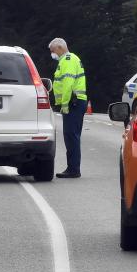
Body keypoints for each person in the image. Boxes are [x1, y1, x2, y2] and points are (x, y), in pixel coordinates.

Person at [49, 38, 88, 179]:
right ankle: (73, 167)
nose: (52, 54)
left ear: (60, 47)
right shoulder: (68, 60)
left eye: (53, 51)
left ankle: (73, 169)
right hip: (75, 102)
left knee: (71, 136)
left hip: (73, 103)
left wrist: (64, 104)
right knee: (72, 136)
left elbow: (68, 83)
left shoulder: (68, 60)